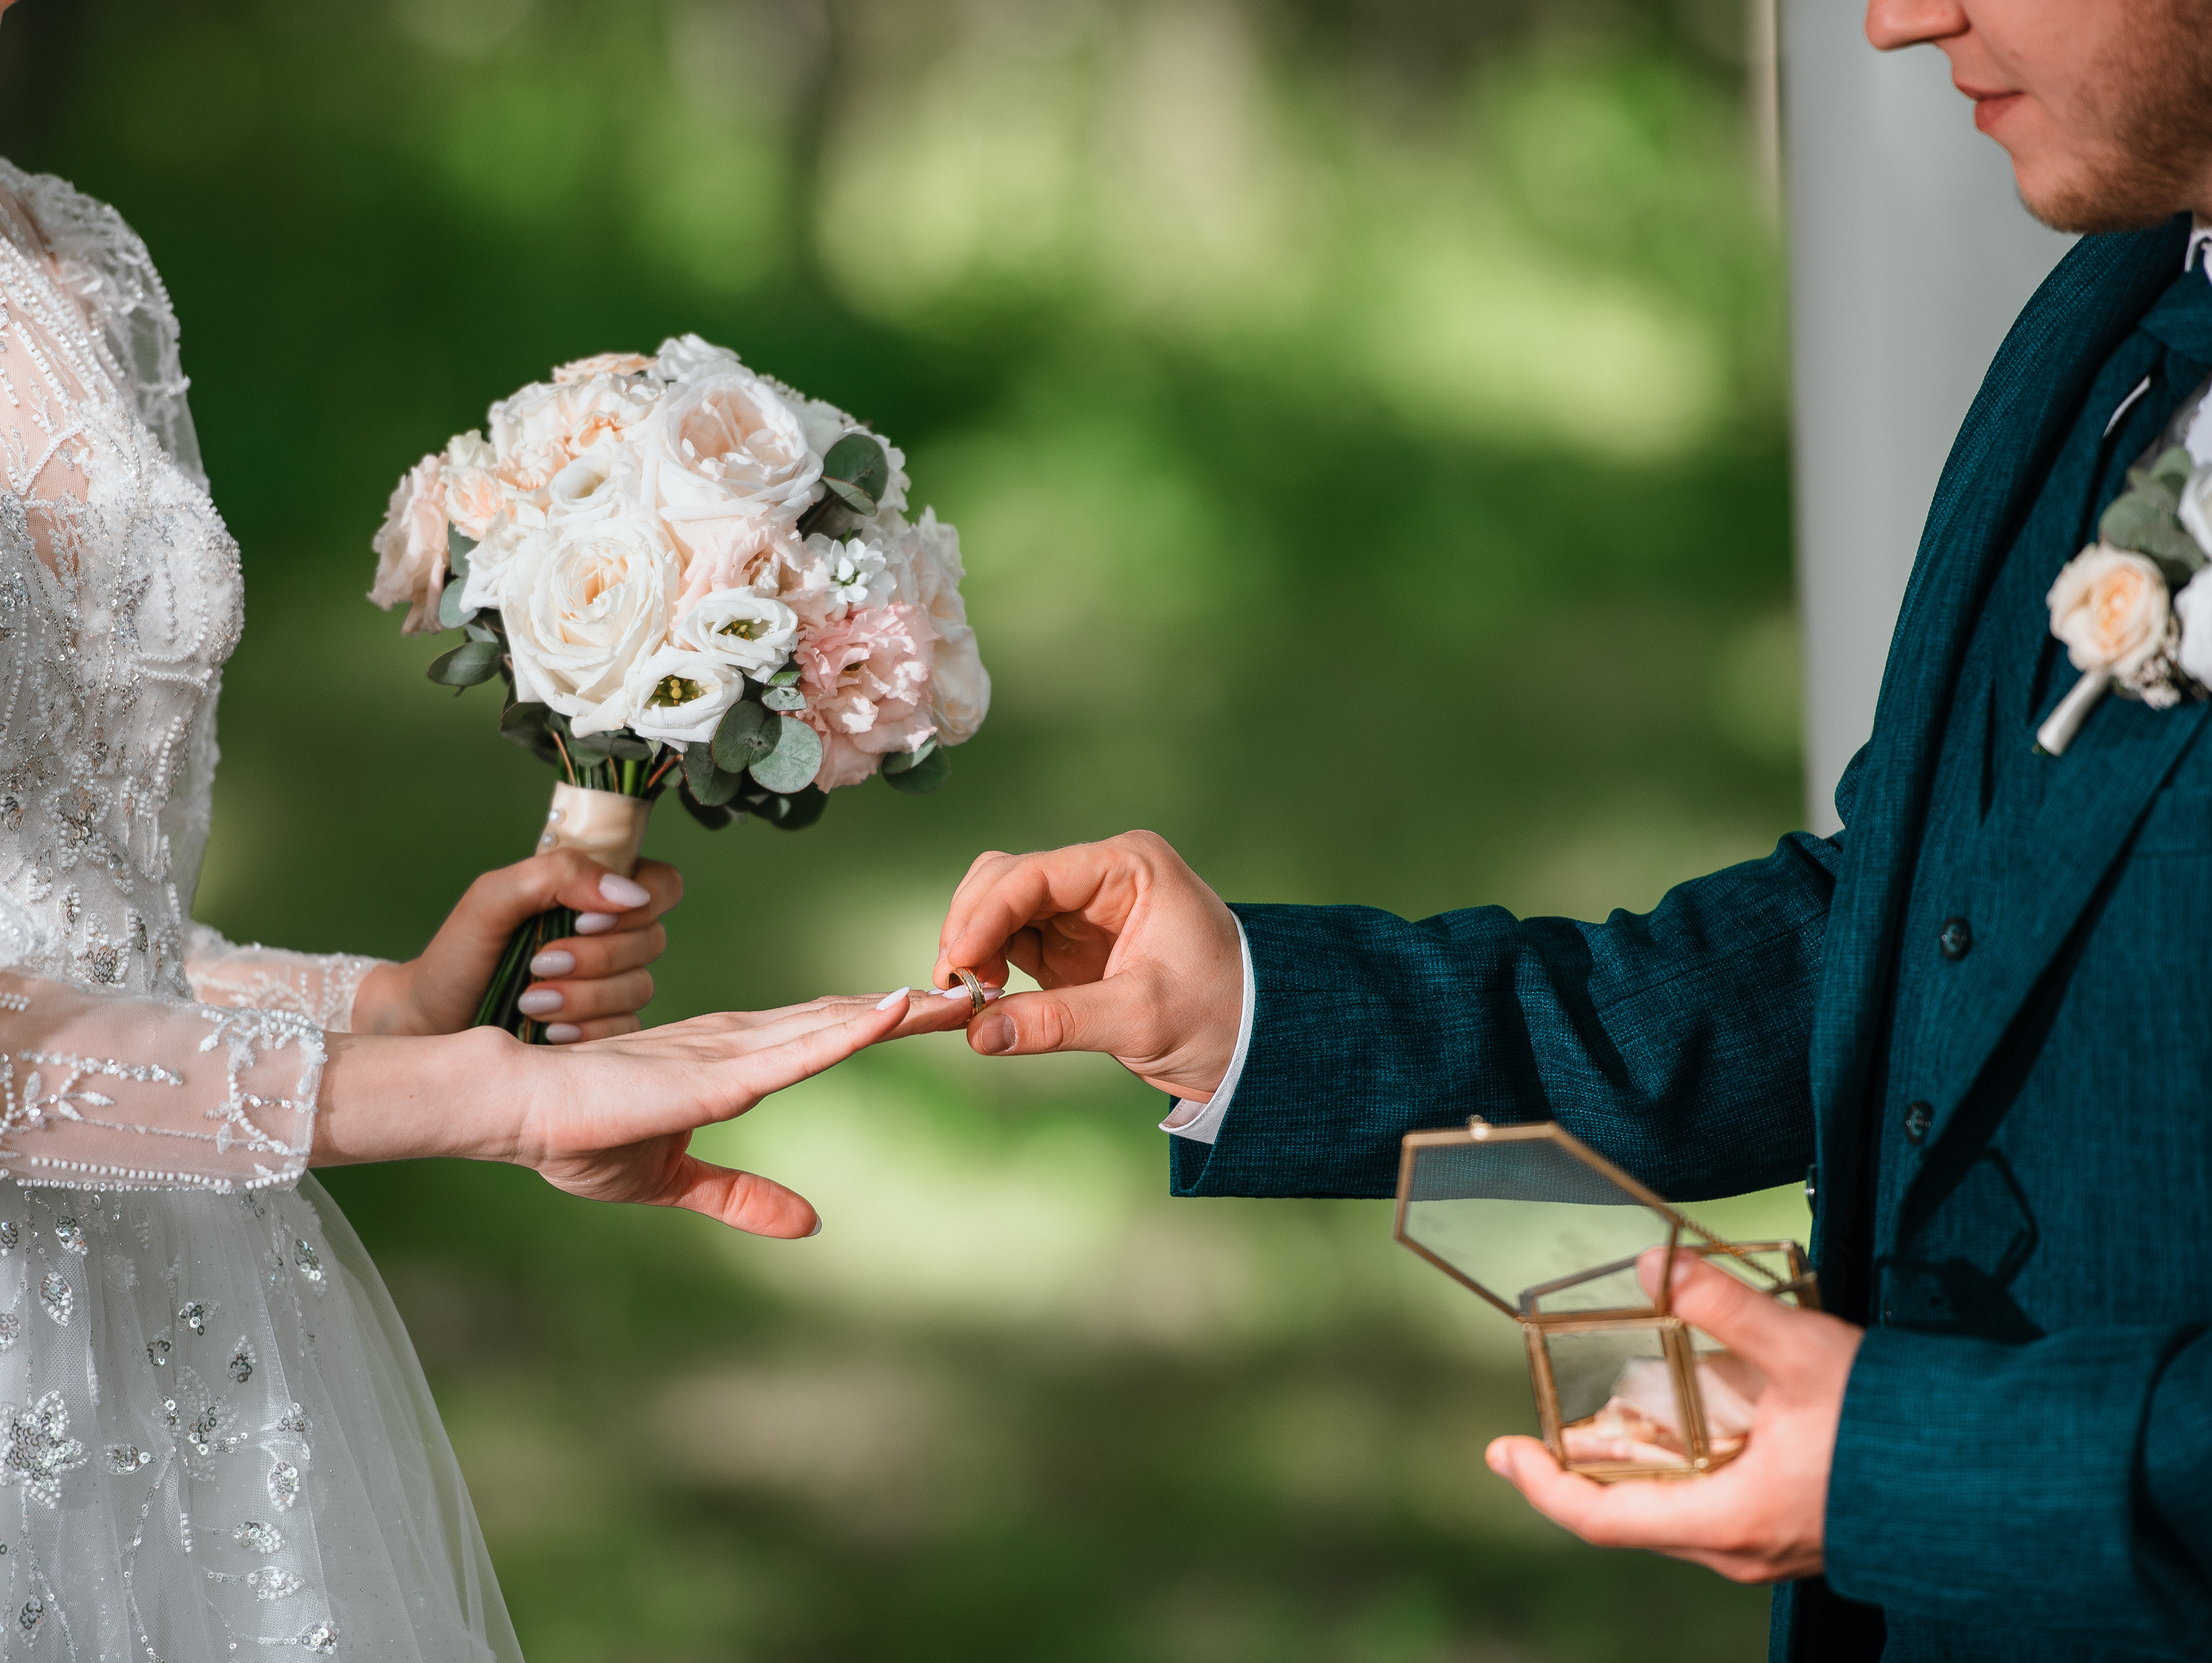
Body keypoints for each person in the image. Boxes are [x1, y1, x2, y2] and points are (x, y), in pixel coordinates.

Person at [0, 2, 952, 1657]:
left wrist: (383, 1005)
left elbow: (56, 922)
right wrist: (452, 1092)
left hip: (196, 1346)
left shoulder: (63, 258)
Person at [931, 3, 2212, 1658]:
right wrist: (1265, 1010)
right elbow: (1908, 917)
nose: (1900, 19)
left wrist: (1919, 1461)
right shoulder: (2112, 318)